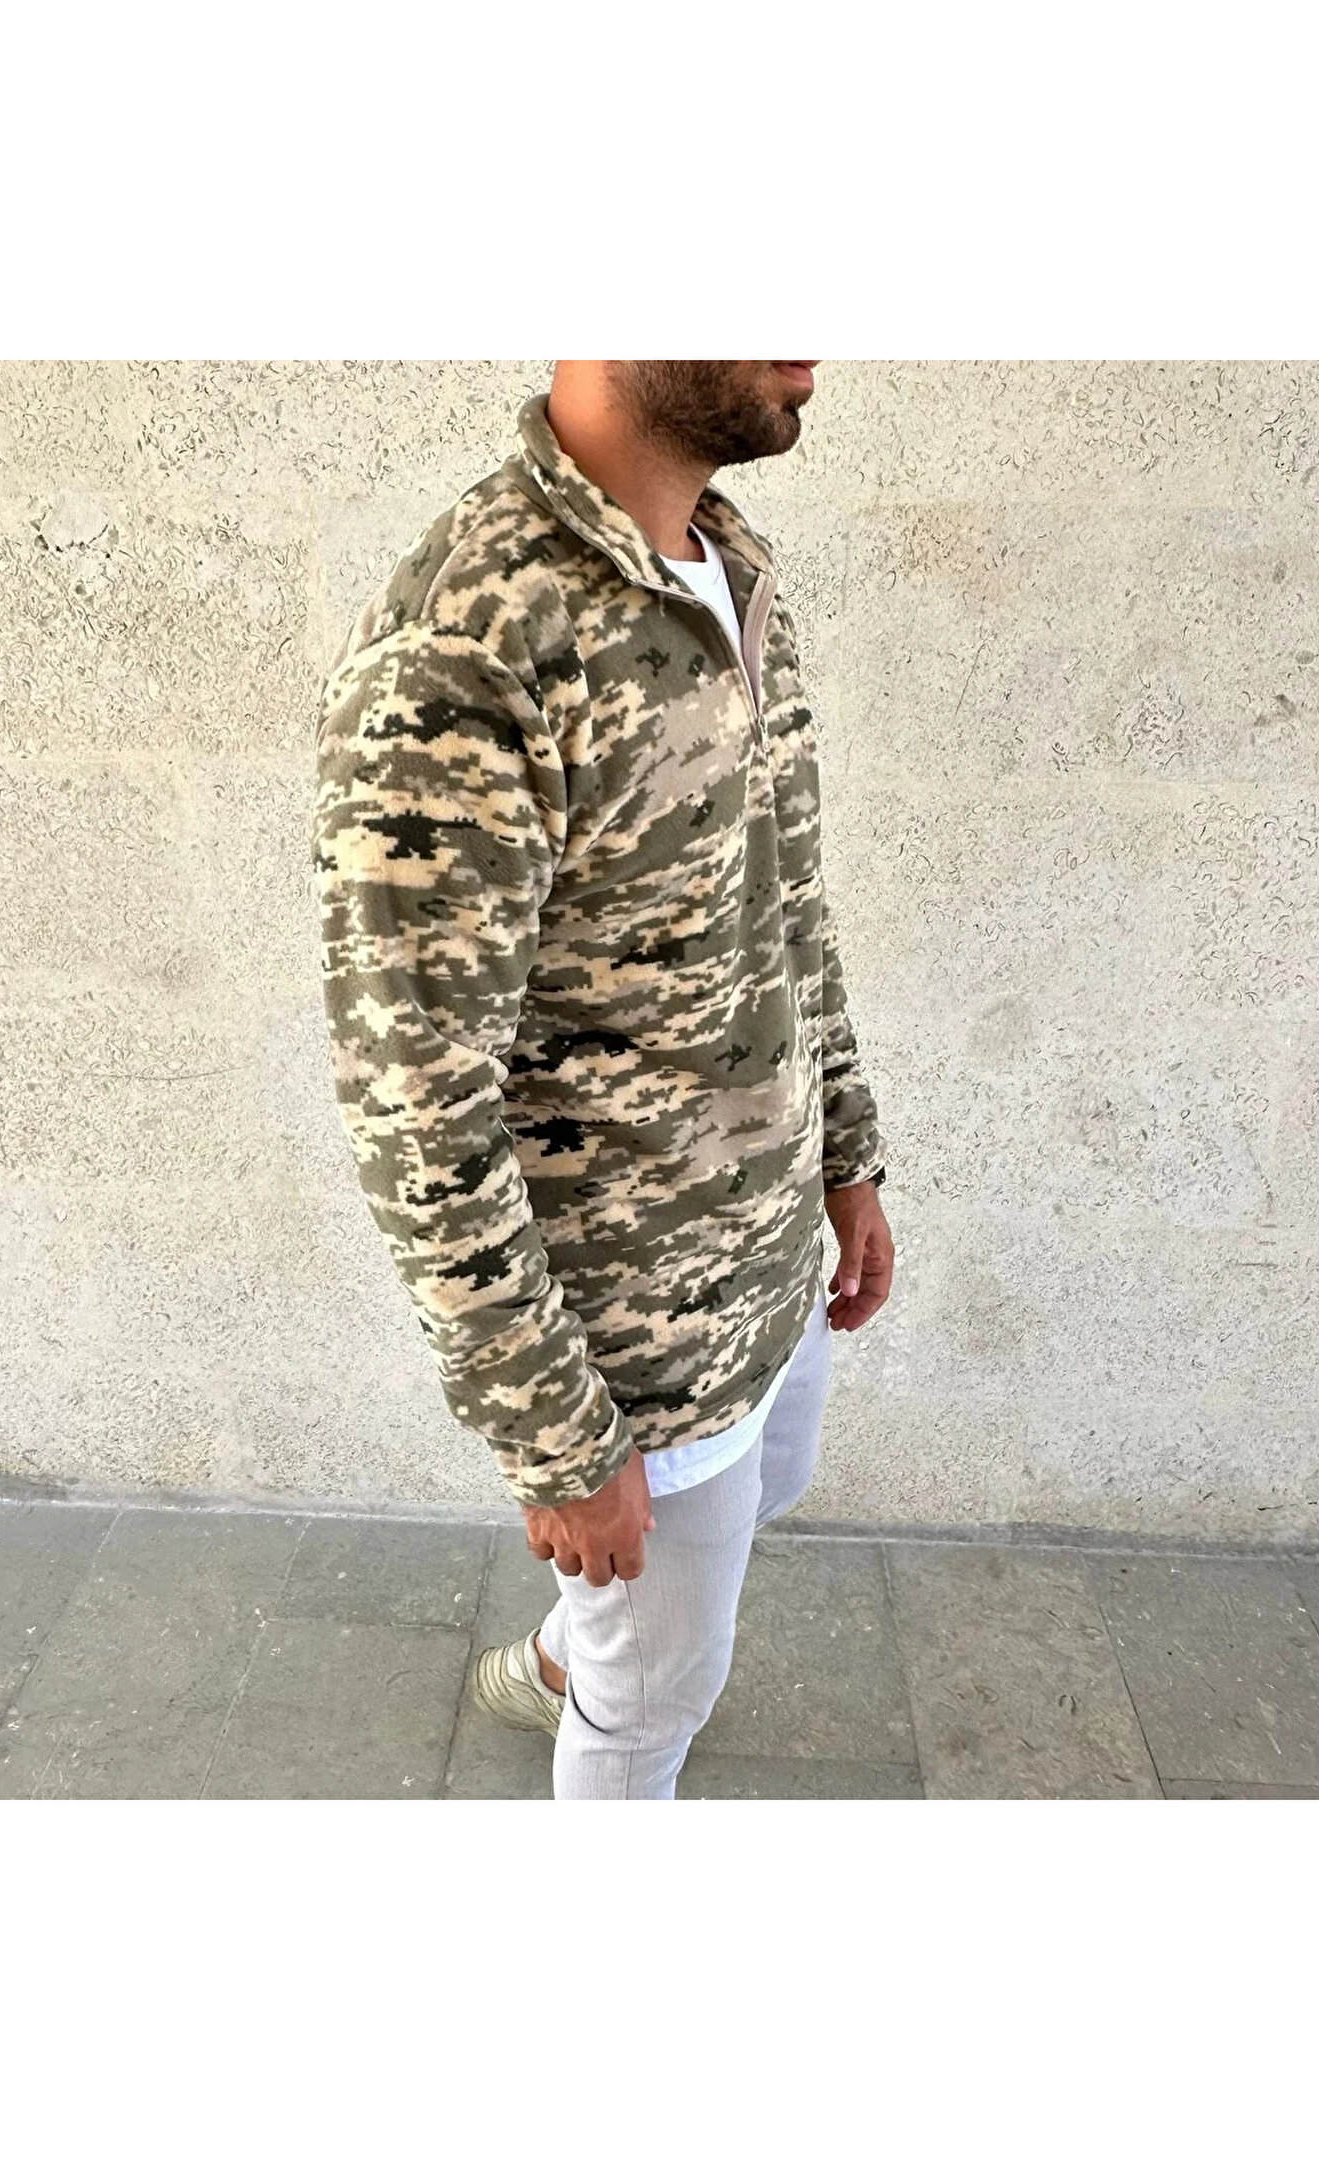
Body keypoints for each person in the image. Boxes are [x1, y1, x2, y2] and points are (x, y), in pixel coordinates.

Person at [313, 361, 895, 1799]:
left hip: (768, 1248)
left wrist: (849, 1155)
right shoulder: (469, 647)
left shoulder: (729, 568)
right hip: (632, 1344)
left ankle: (570, 1658)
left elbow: (787, 902)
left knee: (774, 1488)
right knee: (656, 1705)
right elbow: (415, 1102)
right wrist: (559, 1441)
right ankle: (601, 1692)